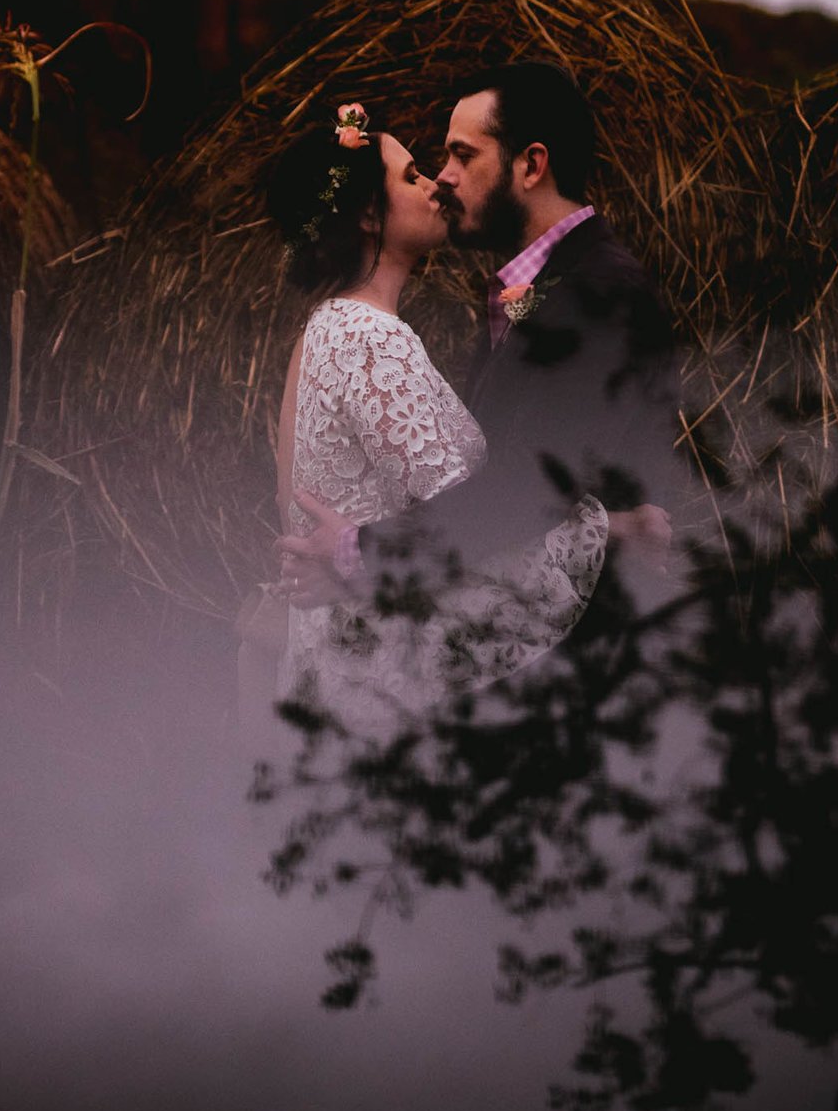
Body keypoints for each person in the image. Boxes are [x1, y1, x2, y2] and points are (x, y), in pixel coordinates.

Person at [237, 97, 661, 734]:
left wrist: (349, 568)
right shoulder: (372, 341)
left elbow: (317, 514)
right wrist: (614, 531)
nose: (437, 182)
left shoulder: (325, 330)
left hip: (345, 681)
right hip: (396, 706)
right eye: (411, 176)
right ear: (368, 218)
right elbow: (475, 544)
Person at [276, 64, 684, 636]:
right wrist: (616, 529)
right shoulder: (517, 292)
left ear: (531, 165)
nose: (442, 179)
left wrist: (354, 554)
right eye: (432, 164)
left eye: (462, 156)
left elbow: (520, 492)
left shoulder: (600, 292)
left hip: (590, 652)